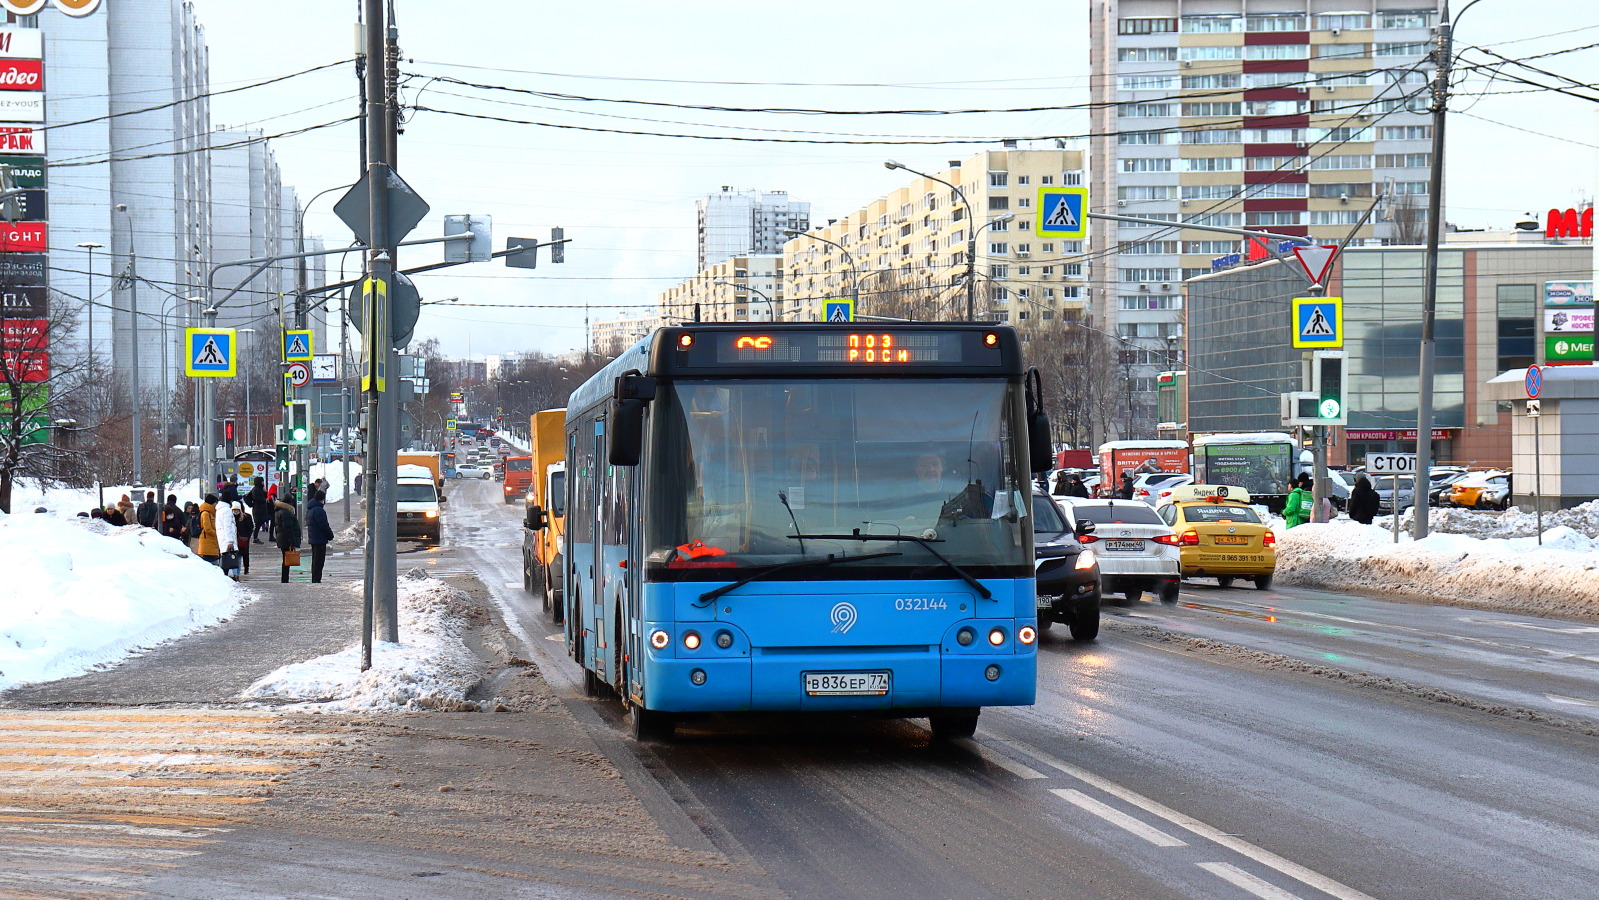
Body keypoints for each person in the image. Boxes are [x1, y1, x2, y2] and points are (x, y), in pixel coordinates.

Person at [305, 489, 333, 584]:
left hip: (313, 538)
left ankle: (315, 578)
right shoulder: (319, 510)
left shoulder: (311, 508)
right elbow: (324, 525)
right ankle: (316, 579)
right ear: (322, 499)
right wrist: (330, 535)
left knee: (315, 560)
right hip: (320, 539)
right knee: (319, 561)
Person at [274, 492, 303, 584]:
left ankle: (285, 579)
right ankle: (285, 579)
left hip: (282, 539)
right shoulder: (286, 513)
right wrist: (292, 541)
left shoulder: (280, 511)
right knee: (286, 560)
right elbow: (288, 528)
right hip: (286, 539)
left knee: (285, 559)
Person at [215, 494, 240, 580]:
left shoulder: (219, 510)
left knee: (226, 560)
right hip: (227, 539)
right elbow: (228, 526)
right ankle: (226, 579)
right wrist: (230, 541)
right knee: (229, 561)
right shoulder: (227, 510)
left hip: (222, 538)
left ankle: (226, 578)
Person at [196, 494, 222, 564]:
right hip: (208, 543)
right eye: (215, 503)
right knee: (212, 564)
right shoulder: (206, 513)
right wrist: (217, 534)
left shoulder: (211, 513)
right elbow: (207, 529)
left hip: (211, 543)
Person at [246, 477, 270, 544]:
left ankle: (256, 537)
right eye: (262, 481)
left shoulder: (260, 489)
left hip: (261, 509)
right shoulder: (256, 489)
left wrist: (265, 492)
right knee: (258, 524)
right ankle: (255, 538)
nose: (263, 483)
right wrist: (264, 500)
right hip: (258, 509)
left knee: (260, 523)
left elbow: (264, 497)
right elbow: (258, 499)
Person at [233, 502, 254, 575]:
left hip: (243, 539)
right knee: (239, 555)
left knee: (244, 554)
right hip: (236, 539)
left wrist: (246, 537)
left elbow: (250, 528)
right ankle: (239, 571)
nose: (235, 511)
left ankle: (246, 568)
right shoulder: (231, 517)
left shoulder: (246, 517)